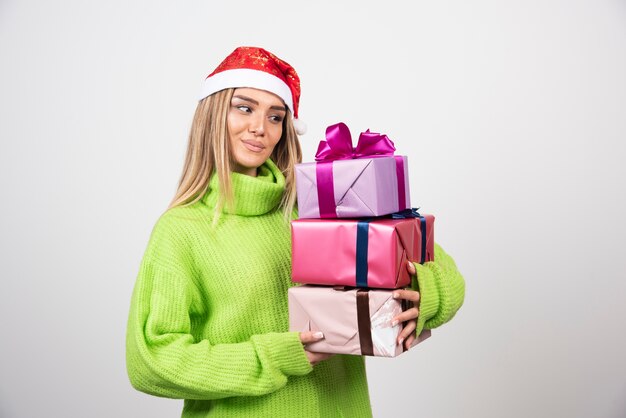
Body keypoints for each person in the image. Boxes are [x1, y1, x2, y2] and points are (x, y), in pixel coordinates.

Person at [126, 46, 465, 417]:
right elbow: (151, 360)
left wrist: (425, 295)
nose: (260, 127)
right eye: (244, 108)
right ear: (212, 115)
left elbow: (440, 266)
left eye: (275, 116)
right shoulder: (181, 230)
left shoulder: (317, 207)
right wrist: (274, 357)